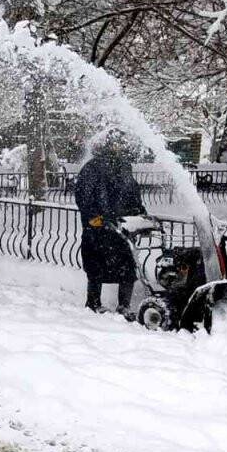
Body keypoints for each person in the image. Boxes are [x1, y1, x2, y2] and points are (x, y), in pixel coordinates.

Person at [74, 129, 147, 315]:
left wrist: (140, 212)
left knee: (127, 268)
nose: (119, 147)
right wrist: (93, 217)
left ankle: (124, 306)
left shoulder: (124, 167)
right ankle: (93, 303)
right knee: (96, 268)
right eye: (115, 143)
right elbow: (83, 195)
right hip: (98, 227)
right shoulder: (92, 167)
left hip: (121, 227)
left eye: (121, 143)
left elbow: (132, 192)